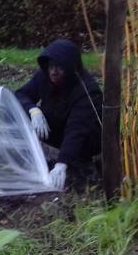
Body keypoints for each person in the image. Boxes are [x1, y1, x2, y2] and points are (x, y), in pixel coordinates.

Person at [15, 38, 102, 190]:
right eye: (51, 66)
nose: (54, 72)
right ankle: (22, 156)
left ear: (70, 69)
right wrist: (33, 110)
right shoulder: (44, 76)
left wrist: (61, 164)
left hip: (86, 140)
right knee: (18, 112)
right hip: (56, 125)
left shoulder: (88, 91)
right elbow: (20, 95)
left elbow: (77, 130)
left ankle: (82, 167)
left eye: (59, 67)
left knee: (78, 149)